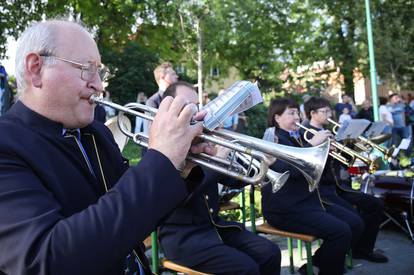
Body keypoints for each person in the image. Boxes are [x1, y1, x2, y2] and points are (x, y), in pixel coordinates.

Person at [0, 19, 214, 275]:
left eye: (100, 72)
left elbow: (139, 218)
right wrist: (160, 159)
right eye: (86, 69)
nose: (99, 86)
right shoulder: (6, 144)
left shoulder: (96, 133)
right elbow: (46, 259)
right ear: (36, 69)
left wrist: (179, 167)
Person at [159, 81, 281, 275]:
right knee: (245, 269)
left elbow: (235, 180)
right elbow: (177, 197)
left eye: (195, 106)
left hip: (213, 227)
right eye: (186, 106)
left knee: (270, 252)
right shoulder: (161, 147)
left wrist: (262, 165)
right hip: (184, 238)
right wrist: (216, 160)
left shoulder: (203, 140)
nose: (193, 111)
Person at [261, 98, 353, 275]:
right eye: (291, 113)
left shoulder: (295, 138)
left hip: (306, 203)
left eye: (297, 113)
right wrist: (312, 146)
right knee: (341, 232)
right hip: (284, 210)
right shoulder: (273, 140)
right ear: (277, 117)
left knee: (348, 225)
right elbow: (289, 173)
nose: (297, 117)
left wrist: (326, 151)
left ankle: (324, 264)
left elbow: (314, 171)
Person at [304, 97, 388, 264]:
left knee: (375, 204)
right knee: (353, 219)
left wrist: (350, 145)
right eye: (325, 111)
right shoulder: (305, 134)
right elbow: (309, 166)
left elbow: (345, 161)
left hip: (340, 187)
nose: (329, 114)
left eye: (330, 111)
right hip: (322, 191)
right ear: (312, 113)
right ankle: (318, 260)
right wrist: (323, 150)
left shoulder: (332, 132)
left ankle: (362, 249)